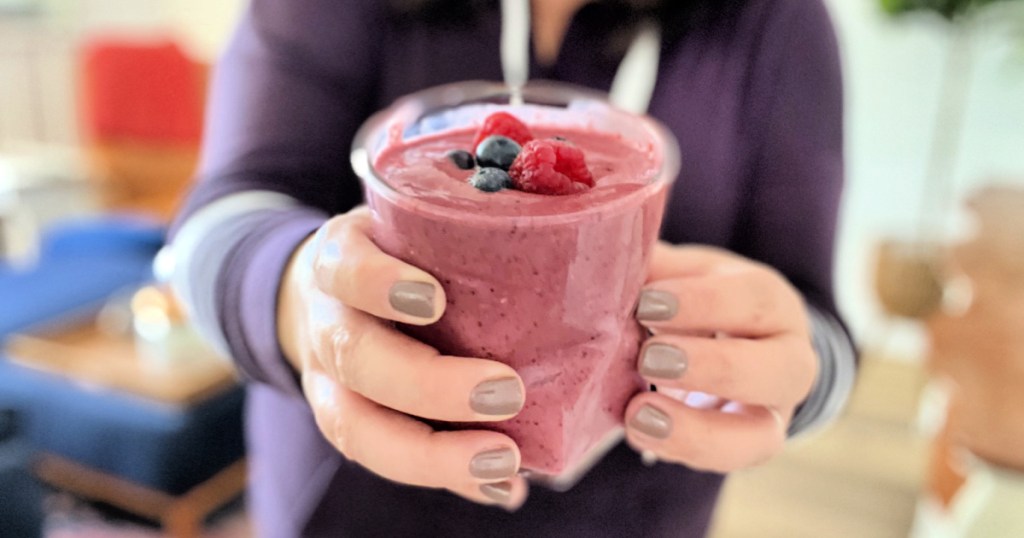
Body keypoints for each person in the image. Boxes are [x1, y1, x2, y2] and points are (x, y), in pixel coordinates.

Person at [169, 0, 857, 536]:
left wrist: (789, 365)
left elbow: (819, 325)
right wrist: (297, 293)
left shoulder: (774, 22)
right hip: (350, 508)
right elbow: (211, 227)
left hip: (637, 519)